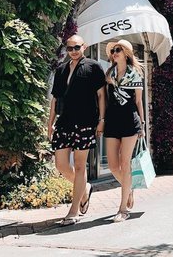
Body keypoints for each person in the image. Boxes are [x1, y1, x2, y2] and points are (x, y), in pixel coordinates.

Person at [48, 35, 106, 226]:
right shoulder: (62, 69)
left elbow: (101, 95)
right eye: (70, 47)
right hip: (64, 122)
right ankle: (85, 188)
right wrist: (50, 123)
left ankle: (73, 211)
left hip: (85, 121)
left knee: (81, 166)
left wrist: (101, 120)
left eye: (77, 47)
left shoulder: (93, 67)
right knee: (61, 165)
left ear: (84, 46)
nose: (73, 50)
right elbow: (55, 98)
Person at [104, 39, 145, 223]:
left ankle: (122, 209)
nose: (114, 52)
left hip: (130, 121)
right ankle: (128, 189)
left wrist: (142, 125)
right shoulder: (109, 74)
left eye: (118, 49)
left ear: (126, 53)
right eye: (113, 50)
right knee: (113, 166)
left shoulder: (134, 74)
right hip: (112, 121)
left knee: (125, 163)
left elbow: (138, 102)